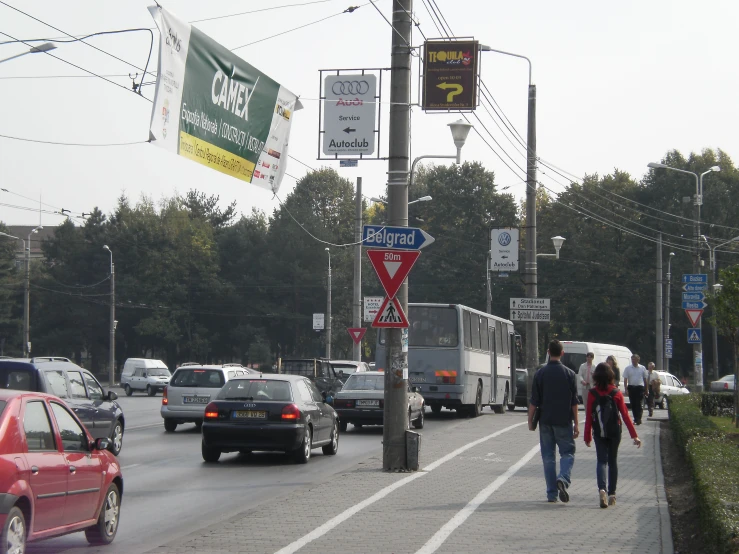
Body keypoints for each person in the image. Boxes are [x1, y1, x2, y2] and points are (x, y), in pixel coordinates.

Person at [584, 362, 641, 508]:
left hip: (599, 432)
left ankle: (602, 489)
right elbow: (626, 416)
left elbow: (589, 417)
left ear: (596, 376)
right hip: (615, 432)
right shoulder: (616, 393)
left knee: (601, 461)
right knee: (613, 461)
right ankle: (612, 494)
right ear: (611, 376)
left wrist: (587, 436)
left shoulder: (592, 393)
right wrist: (634, 436)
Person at [529, 340, 579, 503]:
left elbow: (534, 401)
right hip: (564, 420)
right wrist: (577, 424)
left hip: (545, 420)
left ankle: (552, 494)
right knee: (568, 453)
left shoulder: (540, 374)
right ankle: (563, 479)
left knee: (548, 457)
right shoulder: (570, 374)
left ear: (549, 352)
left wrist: (530, 421)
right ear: (562, 353)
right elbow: (574, 402)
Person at [623, 354, 649, 425]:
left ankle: (638, 418)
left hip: (639, 388)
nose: (633, 361)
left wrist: (646, 389)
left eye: (635, 359)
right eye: (632, 359)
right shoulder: (628, 368)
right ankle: (635, 418)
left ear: (638, 360)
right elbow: (625, 379)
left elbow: (645, 379)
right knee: (633, 404)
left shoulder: (642, 368)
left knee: (639, 404)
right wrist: (626, 389)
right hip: (631, 387)